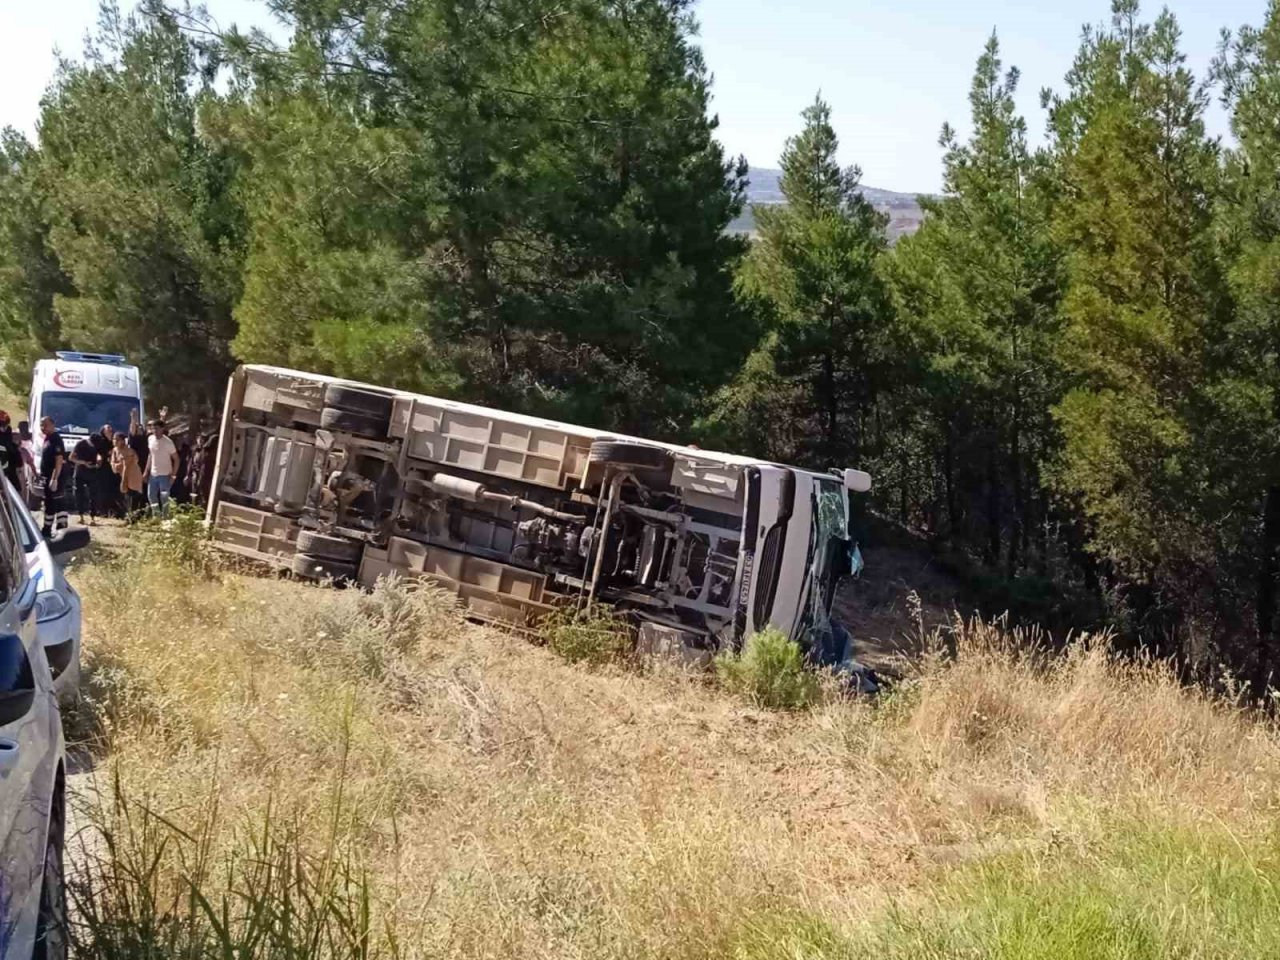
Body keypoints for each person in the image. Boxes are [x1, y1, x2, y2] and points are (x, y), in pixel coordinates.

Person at [143, 419, 178, 519]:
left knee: (164, 498)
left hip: (165, 475)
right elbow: (150, 456)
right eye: (153, 429)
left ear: (162, 429)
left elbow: (176, 459)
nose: (155, 431)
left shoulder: (168, 442)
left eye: (157, 428)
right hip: (153, 474)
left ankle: (165, 517)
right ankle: (156, 516)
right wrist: (146, 472)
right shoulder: (150, 439)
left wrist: (173, 476)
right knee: (151, 496)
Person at [38, 416, 66, 536]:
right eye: (41, 425)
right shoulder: (47, 439)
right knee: (50, 502)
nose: (43, 427)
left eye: (45, 425)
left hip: (54, 476)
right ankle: (49, 528)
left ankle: (57, 528)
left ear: (53, 425)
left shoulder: (56, 439)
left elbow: (58, 460)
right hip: (47, 476)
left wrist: (54, 479)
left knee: (55, 502)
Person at [69, 432, 103, 525]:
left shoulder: (97, 443)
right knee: (79, 494)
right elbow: (71, 458)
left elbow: (99, 454)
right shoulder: (81, 444)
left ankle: (93, 517)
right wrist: (84, 463)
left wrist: (99, 460)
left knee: (93, 495)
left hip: (92, 472)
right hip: (80, 472)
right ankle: (81, 516)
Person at [110, 431, 145, 521]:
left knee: (132, 497)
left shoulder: (129, 451)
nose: (115, 441)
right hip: (122, 476)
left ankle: (132, 518)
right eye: (114, 439)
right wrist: (116, 466)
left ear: (122, 441)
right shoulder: (115, 450)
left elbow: (127, 465)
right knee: (124, 498)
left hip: (132, 476)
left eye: (117, 440)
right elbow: (113, 463)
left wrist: (123, 481)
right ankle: (127, 516)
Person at [0, 412, 19, 491]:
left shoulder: (8, 432)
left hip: (8, 469)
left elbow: (11, 448)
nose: (4, 427)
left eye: (6, 425)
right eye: (2, 425)